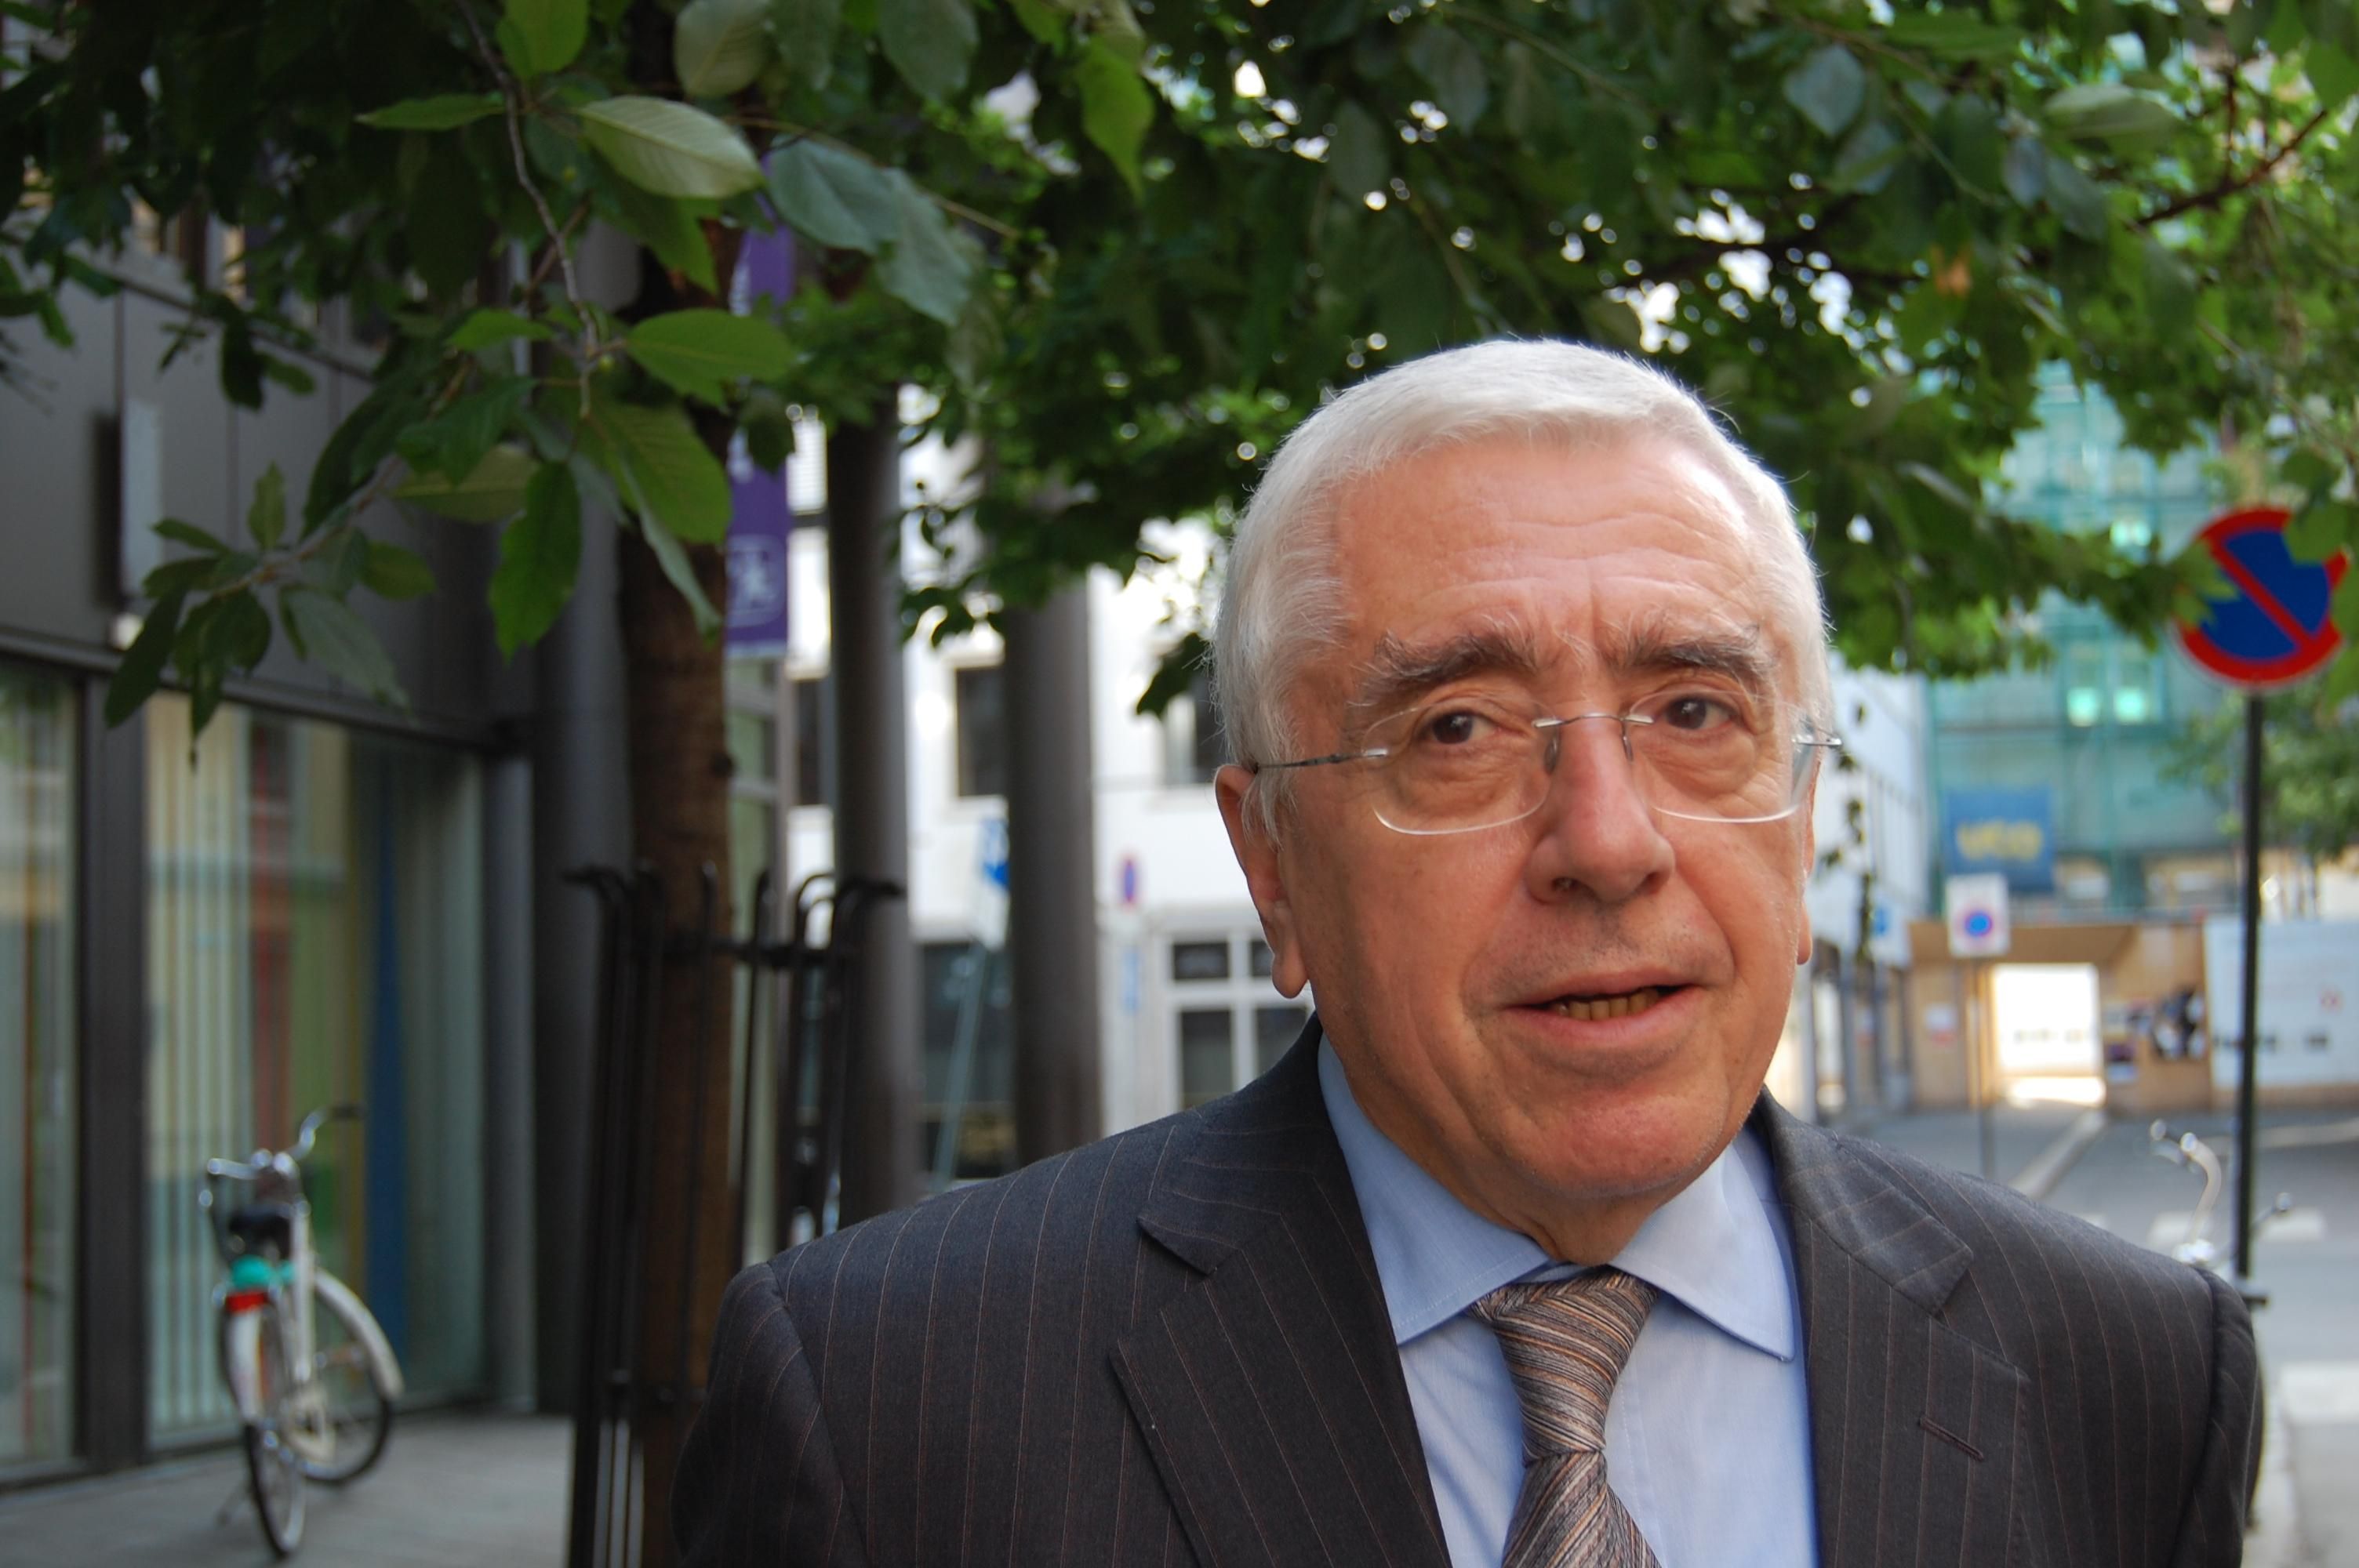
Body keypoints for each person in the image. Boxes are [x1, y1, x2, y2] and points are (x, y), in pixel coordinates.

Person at [674, 339, 2258, 1567]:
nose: (1608, 842)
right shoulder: (892, 1401)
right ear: (1271, 862)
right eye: (1457, 730)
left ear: (1801, 811)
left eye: (1693, 709)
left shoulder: (2132, 1376)